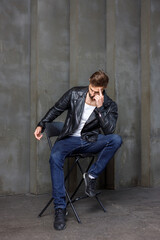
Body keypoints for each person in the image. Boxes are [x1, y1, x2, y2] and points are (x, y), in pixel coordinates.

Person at [34, 70, 122, 230]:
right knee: (54, 157)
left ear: (103, 89)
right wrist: (41, 124)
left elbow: (109, 130)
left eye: (97, 91)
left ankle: (91, 175)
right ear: (89, 82)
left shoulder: (109, 105)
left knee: (116, 139)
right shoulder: (75, 93)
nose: (93, 93)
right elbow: (56, 109)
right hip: (68, 139)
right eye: (91, 89)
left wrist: (100, 109)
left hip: (89, 140)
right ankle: (60, 209)